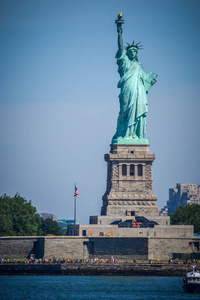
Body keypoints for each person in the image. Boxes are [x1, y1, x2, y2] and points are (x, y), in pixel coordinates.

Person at [112, 21, 157, 143]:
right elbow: (120, 48)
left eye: (134, 51)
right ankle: (125, 134)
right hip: (127, 91)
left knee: (137, 111)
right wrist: (119, 33)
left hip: (138, 93)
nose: (132, 52)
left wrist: (150, 80)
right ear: (128, 53)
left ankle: (135, 135)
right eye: (130, 51)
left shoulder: (139, 66)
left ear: (136, 53)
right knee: (125, 112)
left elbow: (145, 82)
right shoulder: (125, 62)